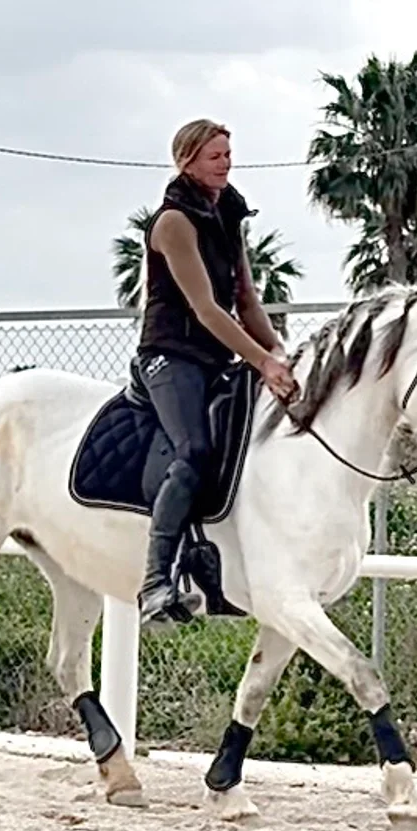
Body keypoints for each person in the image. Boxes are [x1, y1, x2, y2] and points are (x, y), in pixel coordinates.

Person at [132, 117, 298, 624]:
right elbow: (206, 308)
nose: (226, 162)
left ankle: (219, 568)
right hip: (171, 354)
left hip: (218, 355)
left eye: (228, 153)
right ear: (187, 162)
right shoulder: (172, 223)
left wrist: (280, 352)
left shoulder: (228, 211)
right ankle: (156, 582)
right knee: (196, 450)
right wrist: (261, 360)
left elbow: (245, 300)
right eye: (215, 155)